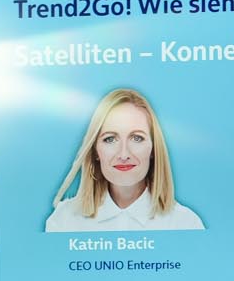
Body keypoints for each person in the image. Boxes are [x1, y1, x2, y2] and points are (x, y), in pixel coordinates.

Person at [45, 87, 204, 231]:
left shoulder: (185, 224)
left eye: (136, 138)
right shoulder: (64, 221)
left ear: (154, 148)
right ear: (95, 151)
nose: (123, 154)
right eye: (110, 139)